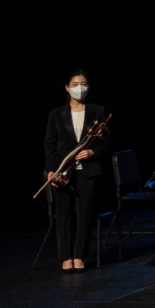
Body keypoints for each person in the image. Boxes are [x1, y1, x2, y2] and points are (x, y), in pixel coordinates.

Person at [45, 70, 110, 271]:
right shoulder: (57, 113)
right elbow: (50, 143)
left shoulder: (98, 111)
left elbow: (106, 141)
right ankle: (65, 256)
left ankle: (80, 256)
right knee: (63, 213)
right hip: (64, 170)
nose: (79, 87)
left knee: (85, 213)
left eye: (83, 83)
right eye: (75, 84)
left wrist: (92, 152)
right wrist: (51, 169)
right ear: (67, 87)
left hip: (88, 170)